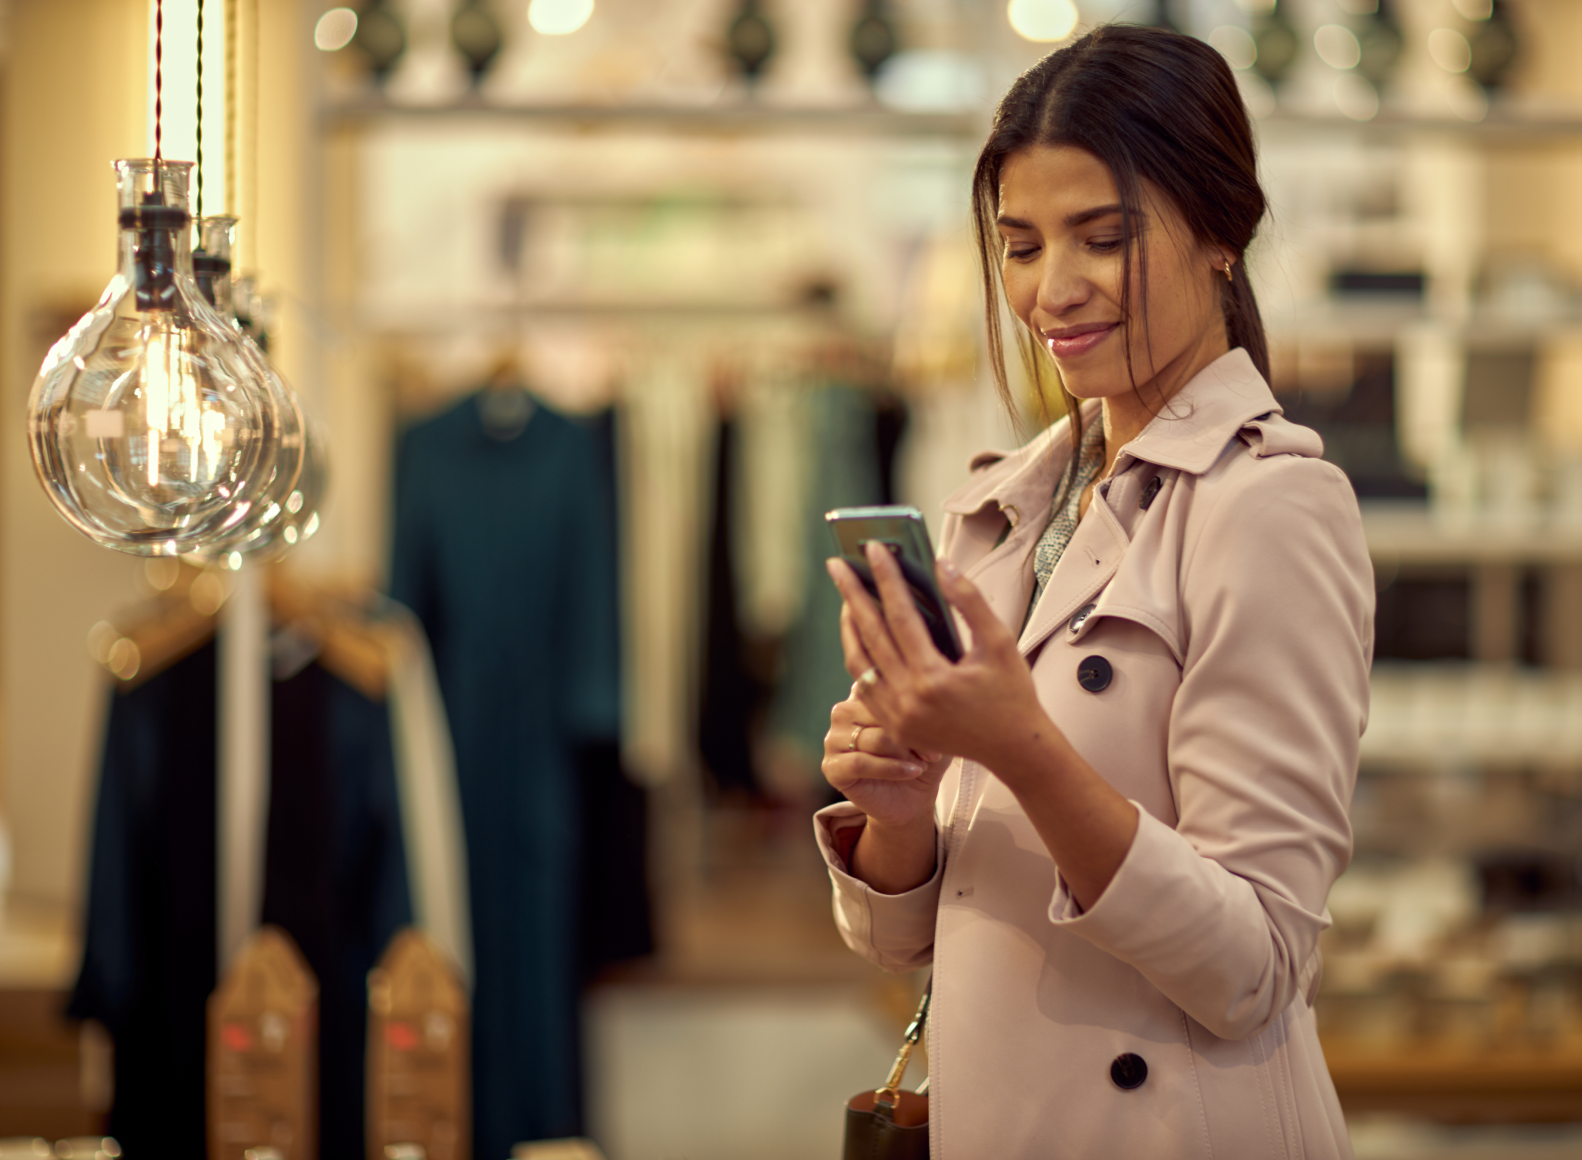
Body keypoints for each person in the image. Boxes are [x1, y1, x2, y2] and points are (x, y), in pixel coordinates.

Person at [817, 24, 1372, 1159]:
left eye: (1102, 238)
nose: (1049, 289)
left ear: (1222, 232)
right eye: (1018, 246)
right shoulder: (1003, 506)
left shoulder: (1269, 506)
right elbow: (917, 938)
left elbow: (1255, 965)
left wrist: (1020, 747)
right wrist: (898, 807)